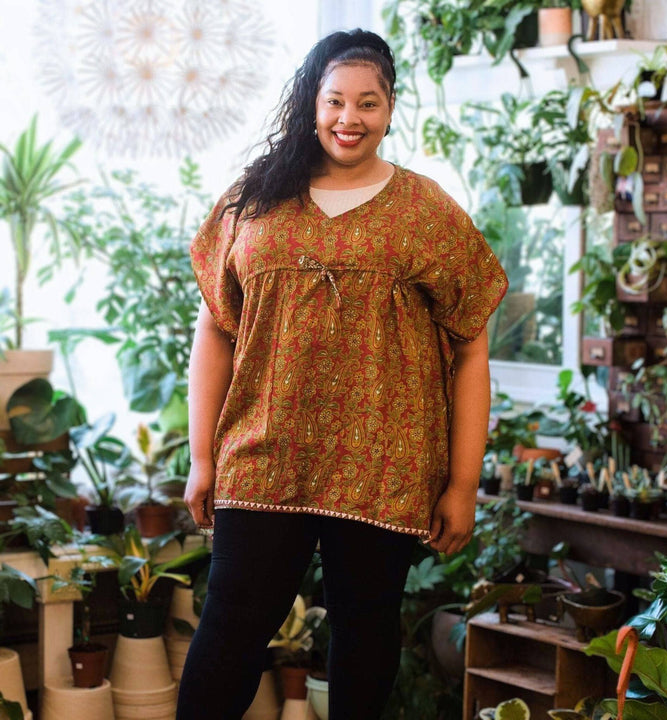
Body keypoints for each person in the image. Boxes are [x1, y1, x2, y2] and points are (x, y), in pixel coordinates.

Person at [176, 28, 508, 720]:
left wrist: (463, 482)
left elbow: (471, 347)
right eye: (334, 101)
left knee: (365, 634)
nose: (348, 119)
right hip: (264, 457)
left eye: (368, 103)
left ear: (390, 109)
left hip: (384, 462)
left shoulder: (426, 212)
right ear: (311, 102)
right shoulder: (255, 200)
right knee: (231, 626)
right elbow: (214, 325)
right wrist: (202, 455)